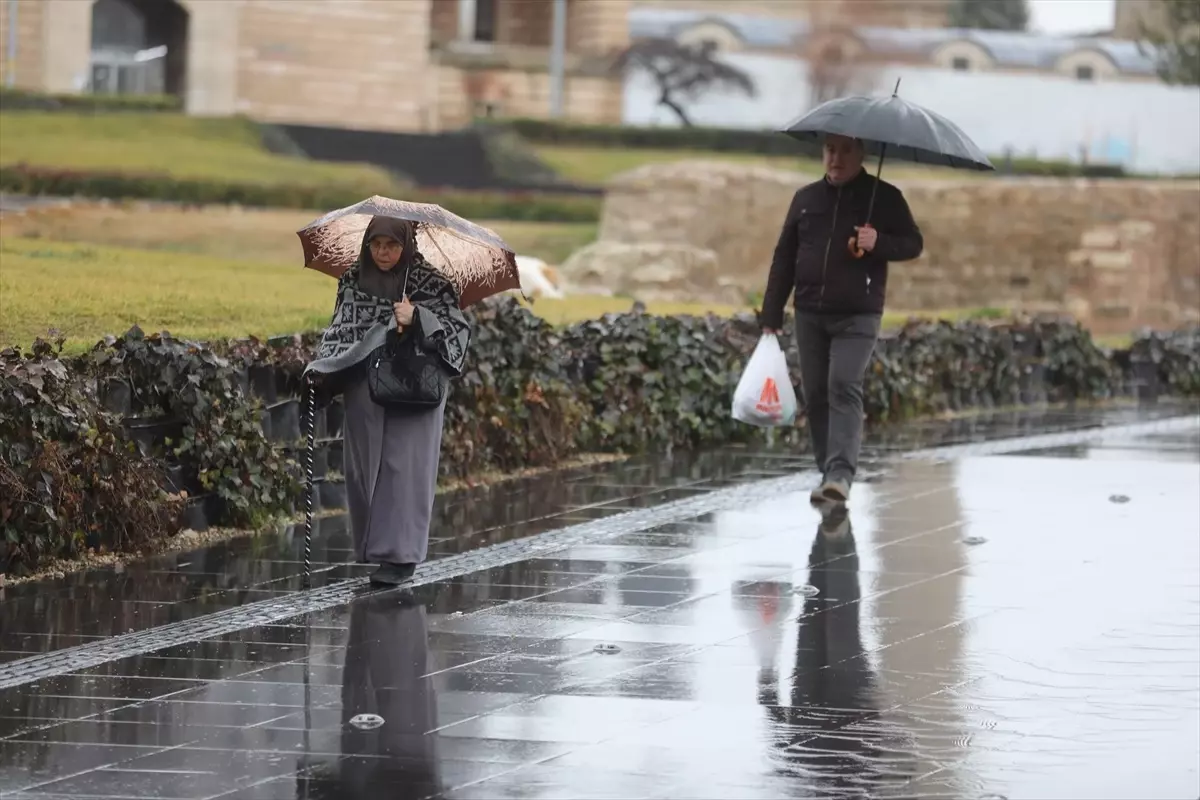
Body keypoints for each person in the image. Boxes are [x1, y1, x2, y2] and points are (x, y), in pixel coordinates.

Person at [304, 216, 471, 586]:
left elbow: (456, 336)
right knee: (365, 469)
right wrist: (322, 367)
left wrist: (418, 318)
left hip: (417, 390)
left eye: (391, 245)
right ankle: (374, 548)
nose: (382, 252)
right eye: (376, 244)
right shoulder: (352, 279)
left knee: (405, 470)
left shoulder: (433, 282)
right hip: (365, 386)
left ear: (407, 244)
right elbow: (341, 331)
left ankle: (400, 556)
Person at [760, 134, 924, 504]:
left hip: (858, 314)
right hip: (809, 313)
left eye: (846, 150)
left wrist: (877, 241)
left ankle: (840, 474)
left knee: (843, 384)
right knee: (816, 393)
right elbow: (784, 257)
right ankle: (828, 472)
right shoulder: (805, 199)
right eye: (830, 150)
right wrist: (771, 314)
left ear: (861, 154)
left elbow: (913, 243)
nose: (836, 158)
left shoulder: (884, 197)